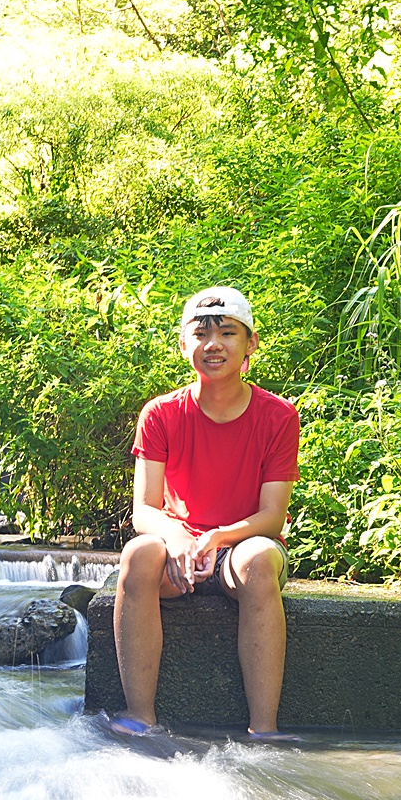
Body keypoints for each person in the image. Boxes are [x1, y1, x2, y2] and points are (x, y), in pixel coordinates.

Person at [107, 285, 300, 741]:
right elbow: (145, 510)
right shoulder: (160, 414)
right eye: (201, 334)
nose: (213, 345)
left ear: (250, 343)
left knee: (257, 560)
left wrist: (218, 538)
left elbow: (272, 517)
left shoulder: (277, 416)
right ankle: (140, 717)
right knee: (138, 553)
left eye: (227, 333)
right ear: (184, 344)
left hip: (241, 550)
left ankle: (264, 729)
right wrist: (179, 539)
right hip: (180, 552)